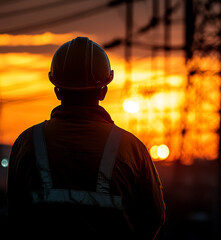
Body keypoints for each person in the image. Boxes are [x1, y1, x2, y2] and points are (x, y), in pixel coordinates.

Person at [7, 37, 165, 238]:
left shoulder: (27, 143)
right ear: (103, 91)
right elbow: (154, 216)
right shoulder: (131, 148)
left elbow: (15, 214)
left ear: (57, 90)